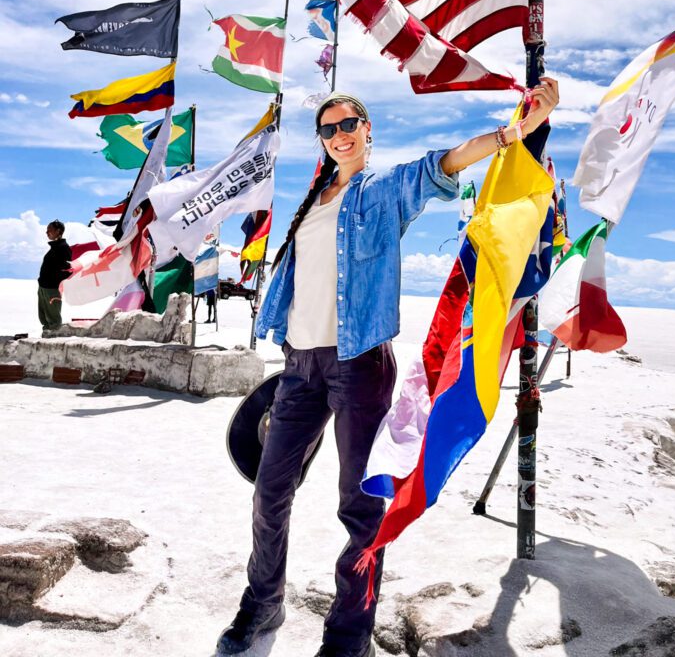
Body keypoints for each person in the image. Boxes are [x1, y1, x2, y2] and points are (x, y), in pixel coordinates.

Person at [217, 81, 559, 657]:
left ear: (367, 131)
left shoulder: (384, 190)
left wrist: (515, 132)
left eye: (349, 124)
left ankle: (351, 632)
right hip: (299, 367)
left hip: (360, 364)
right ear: (321, 141)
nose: (339, 135)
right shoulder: (313, 200)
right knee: (269, 491)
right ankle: (263, 602)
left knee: (359, 504)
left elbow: (442, 164)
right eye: (328, 129)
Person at [37, 220, 72, 336]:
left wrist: (55, 282)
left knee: (54, 321)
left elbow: (67, 269)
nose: (47, 233)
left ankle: (54, 342)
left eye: (49, 230)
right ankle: (45, 341)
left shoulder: (63, 247)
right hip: (43, 288)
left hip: (52, 289)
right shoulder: (55, 247)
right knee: (44, 319)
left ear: (58, 231)